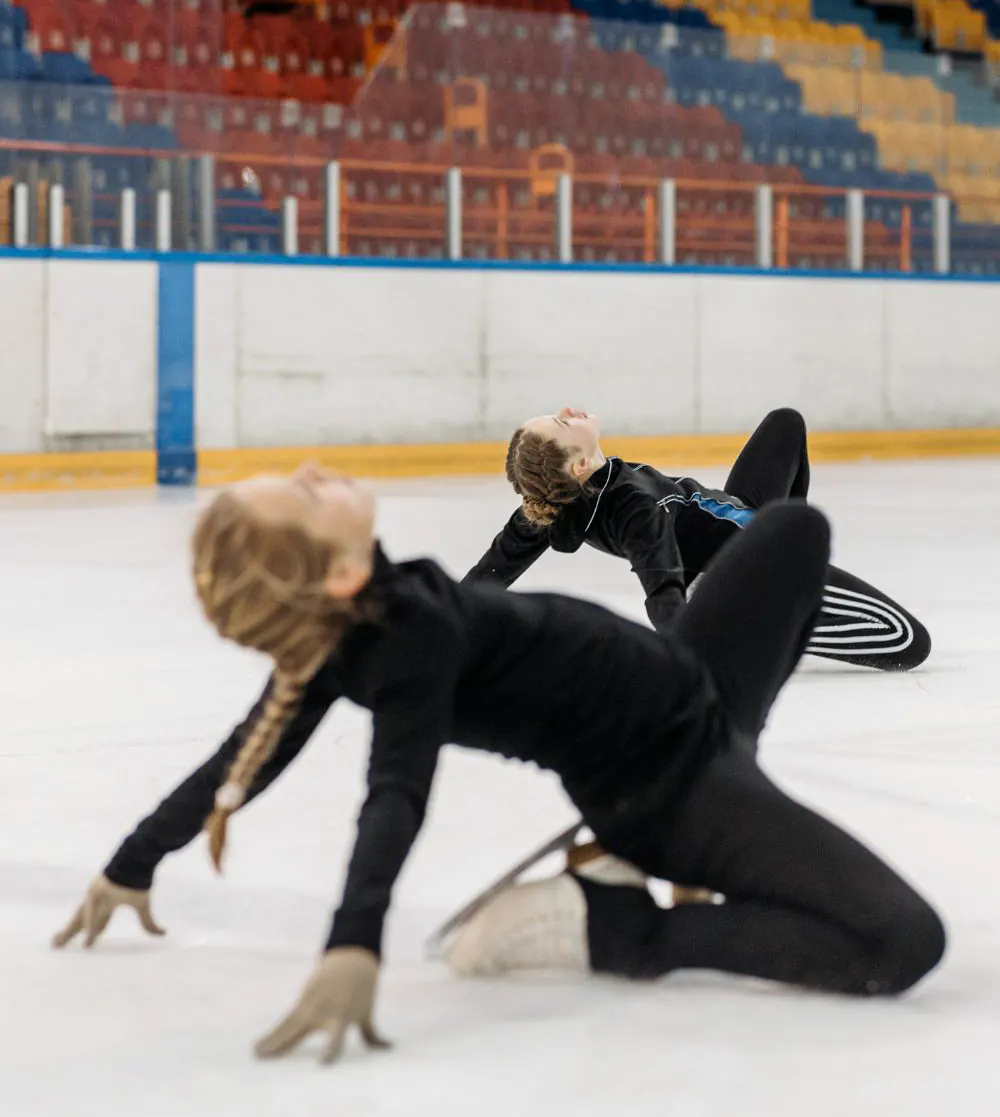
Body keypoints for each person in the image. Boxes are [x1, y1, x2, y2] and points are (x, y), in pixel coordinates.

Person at [53, 465, 945, 1065]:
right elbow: (393, 795)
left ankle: (631, 854)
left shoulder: (368, 608)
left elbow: (236, 758)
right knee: (901, 941)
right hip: (670, 783)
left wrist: (131, 863)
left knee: (793, 527)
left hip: (696, 685)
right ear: (329, 575)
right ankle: (614, 927)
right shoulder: (403, 650)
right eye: (303, 493)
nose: (314, 473)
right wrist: (353, 942)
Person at [466, 407, 930, 671]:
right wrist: (687, 650)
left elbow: (489, 574)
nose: (567, 412)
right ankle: (765, 609)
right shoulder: (633, 508)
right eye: (562, 424)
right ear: (579, 465)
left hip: (739, 510)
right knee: (907, 640)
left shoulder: (553, 503)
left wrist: (445, 623)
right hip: (740, 563)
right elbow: (661, 581)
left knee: (786, 423)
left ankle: (791, 564)